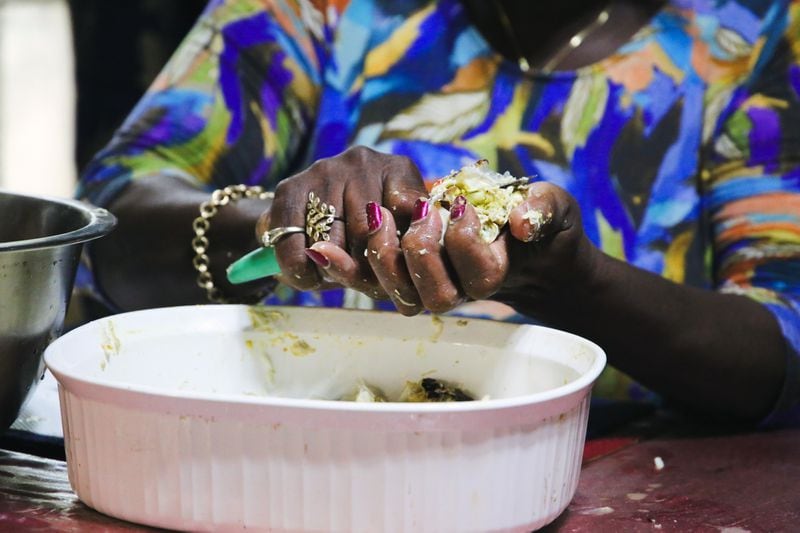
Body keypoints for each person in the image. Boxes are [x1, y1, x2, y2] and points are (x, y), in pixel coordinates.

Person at [78, 0, 800, 427]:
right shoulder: (330, 14)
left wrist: (575, 284)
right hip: (304, 455)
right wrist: (285, 224)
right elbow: (111, 214)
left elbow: (781, 347)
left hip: (630, 490)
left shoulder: (751, 35)